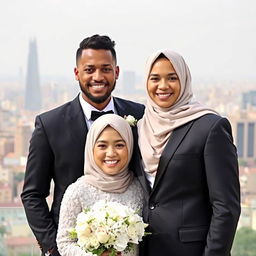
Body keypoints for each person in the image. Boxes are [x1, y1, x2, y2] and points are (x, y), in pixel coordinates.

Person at [21, 34, 144, 256]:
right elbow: (32, 195)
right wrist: (54, 248)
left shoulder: (139, 115)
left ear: (116, 72)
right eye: (89, 70)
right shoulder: (49, 124)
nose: (98, 77)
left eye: (106, 69)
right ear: (77, 74)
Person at [132, 49, 240, 256]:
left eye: (172, 78)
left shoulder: (210, 127)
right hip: (145, 248)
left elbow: (225, 206)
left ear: (184, 80)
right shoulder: (140, 127)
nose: (163, 86)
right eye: (155, 78)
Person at [56, 114, 143, 256]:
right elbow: (64, 243)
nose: (111, 153)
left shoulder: (139, 188)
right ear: (91, 148)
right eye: (102, 145)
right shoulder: (77, 191)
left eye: (120, 145)